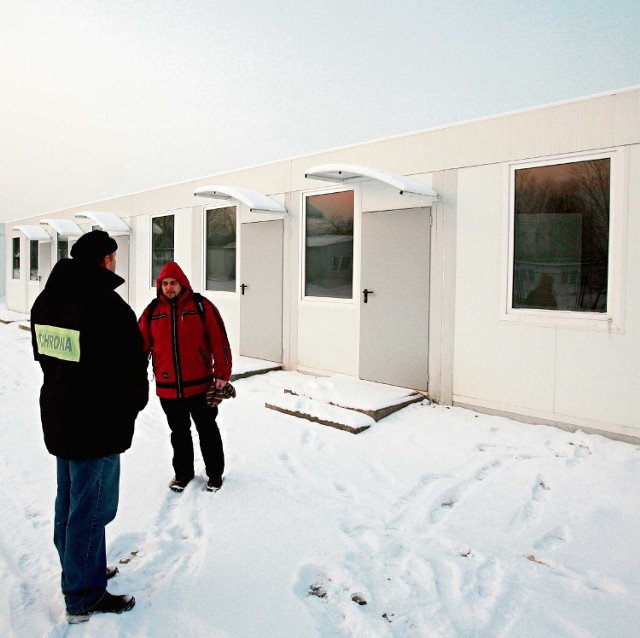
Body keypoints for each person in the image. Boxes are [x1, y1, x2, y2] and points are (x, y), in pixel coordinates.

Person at [30, 230, 149, 624]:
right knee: (92, 508)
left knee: (69, 501)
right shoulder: (105, 305)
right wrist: (132, 405)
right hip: (97, 423)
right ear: (105, 260)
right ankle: (83, 594)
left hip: (62, 416)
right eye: (113, 257)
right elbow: (130, 367)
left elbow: (45, 356)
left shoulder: (46, 301)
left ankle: (80, 570)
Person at [138, 262, 232, 493]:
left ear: (183, 284)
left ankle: (215, 475)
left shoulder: (201, 306)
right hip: (168, 387)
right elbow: (139, 346)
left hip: (200, 384)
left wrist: (222, 373)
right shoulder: (152, 311)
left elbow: (218, 340)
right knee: (178, 433)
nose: (169, 288)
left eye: (173, 283)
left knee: (207, 430)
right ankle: (183, 474)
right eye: (164, 284)